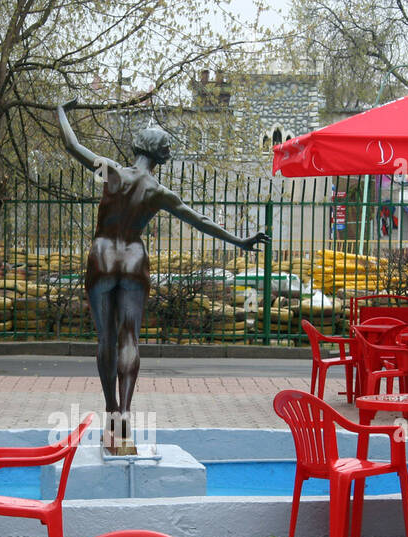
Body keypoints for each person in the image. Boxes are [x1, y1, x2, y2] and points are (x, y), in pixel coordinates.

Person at [58, 99, 269, 452]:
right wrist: (240, 241)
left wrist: (61, 112)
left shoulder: (112, 172)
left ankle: (111, 416)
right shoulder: (158, 192)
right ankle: (124, 417)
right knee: (130, 340)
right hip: (134, 258)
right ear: (161, 156)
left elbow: (72, 145)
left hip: (103, 254)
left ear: (138, 147)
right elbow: (199, 221)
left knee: (106, 340)